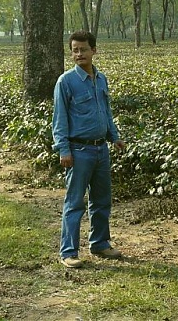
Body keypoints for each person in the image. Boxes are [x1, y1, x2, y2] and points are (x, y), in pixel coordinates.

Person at [52, 30, 125, 269]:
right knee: (74, 203)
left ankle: (100, 243)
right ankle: (69, 252)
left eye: (83, 49)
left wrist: (114, 137)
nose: (79, 54)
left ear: (94, 50)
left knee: (102, 200)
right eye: (75, 50)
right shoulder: (66, 82)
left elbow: (106, 111)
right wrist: (64, 149)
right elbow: (59, 120)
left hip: (100, 150)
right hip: (78, 151)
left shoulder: (101, 79)